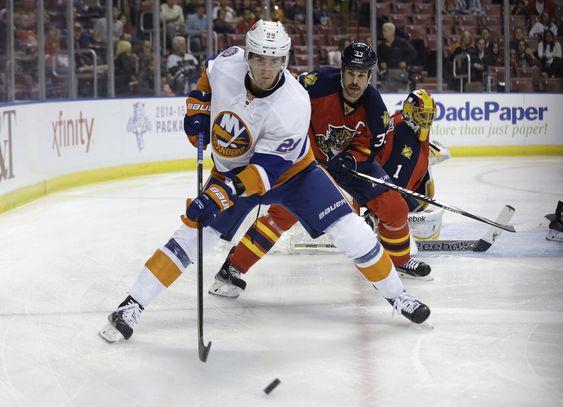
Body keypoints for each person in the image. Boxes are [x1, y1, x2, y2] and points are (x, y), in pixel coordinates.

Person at [98, 21, 431, 343]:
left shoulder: (293, 102)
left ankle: (398, 296)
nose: (267, 68)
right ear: (248, 56)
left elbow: (263, 172)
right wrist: (197, 111)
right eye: (260, 58)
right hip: (233, 170)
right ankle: (132, 306)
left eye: (275, 61)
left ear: (284, 61)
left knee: (349, 229)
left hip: (295, 174)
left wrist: (217, 194)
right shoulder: (228, 62)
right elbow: (207, 78)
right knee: (192, 235)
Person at [207, 41, 434, 301]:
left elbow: (369, 148)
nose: (355, 81)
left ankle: (400, 260)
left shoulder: (377, 112)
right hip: (307, 161)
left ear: (369, 76)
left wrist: (352, 159)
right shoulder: (316, 84)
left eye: (361, 75)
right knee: (282, 214)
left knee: (395, 207)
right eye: (350, 73)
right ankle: (233, 267)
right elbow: (283, 100)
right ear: (342, 71)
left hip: (350, 166)